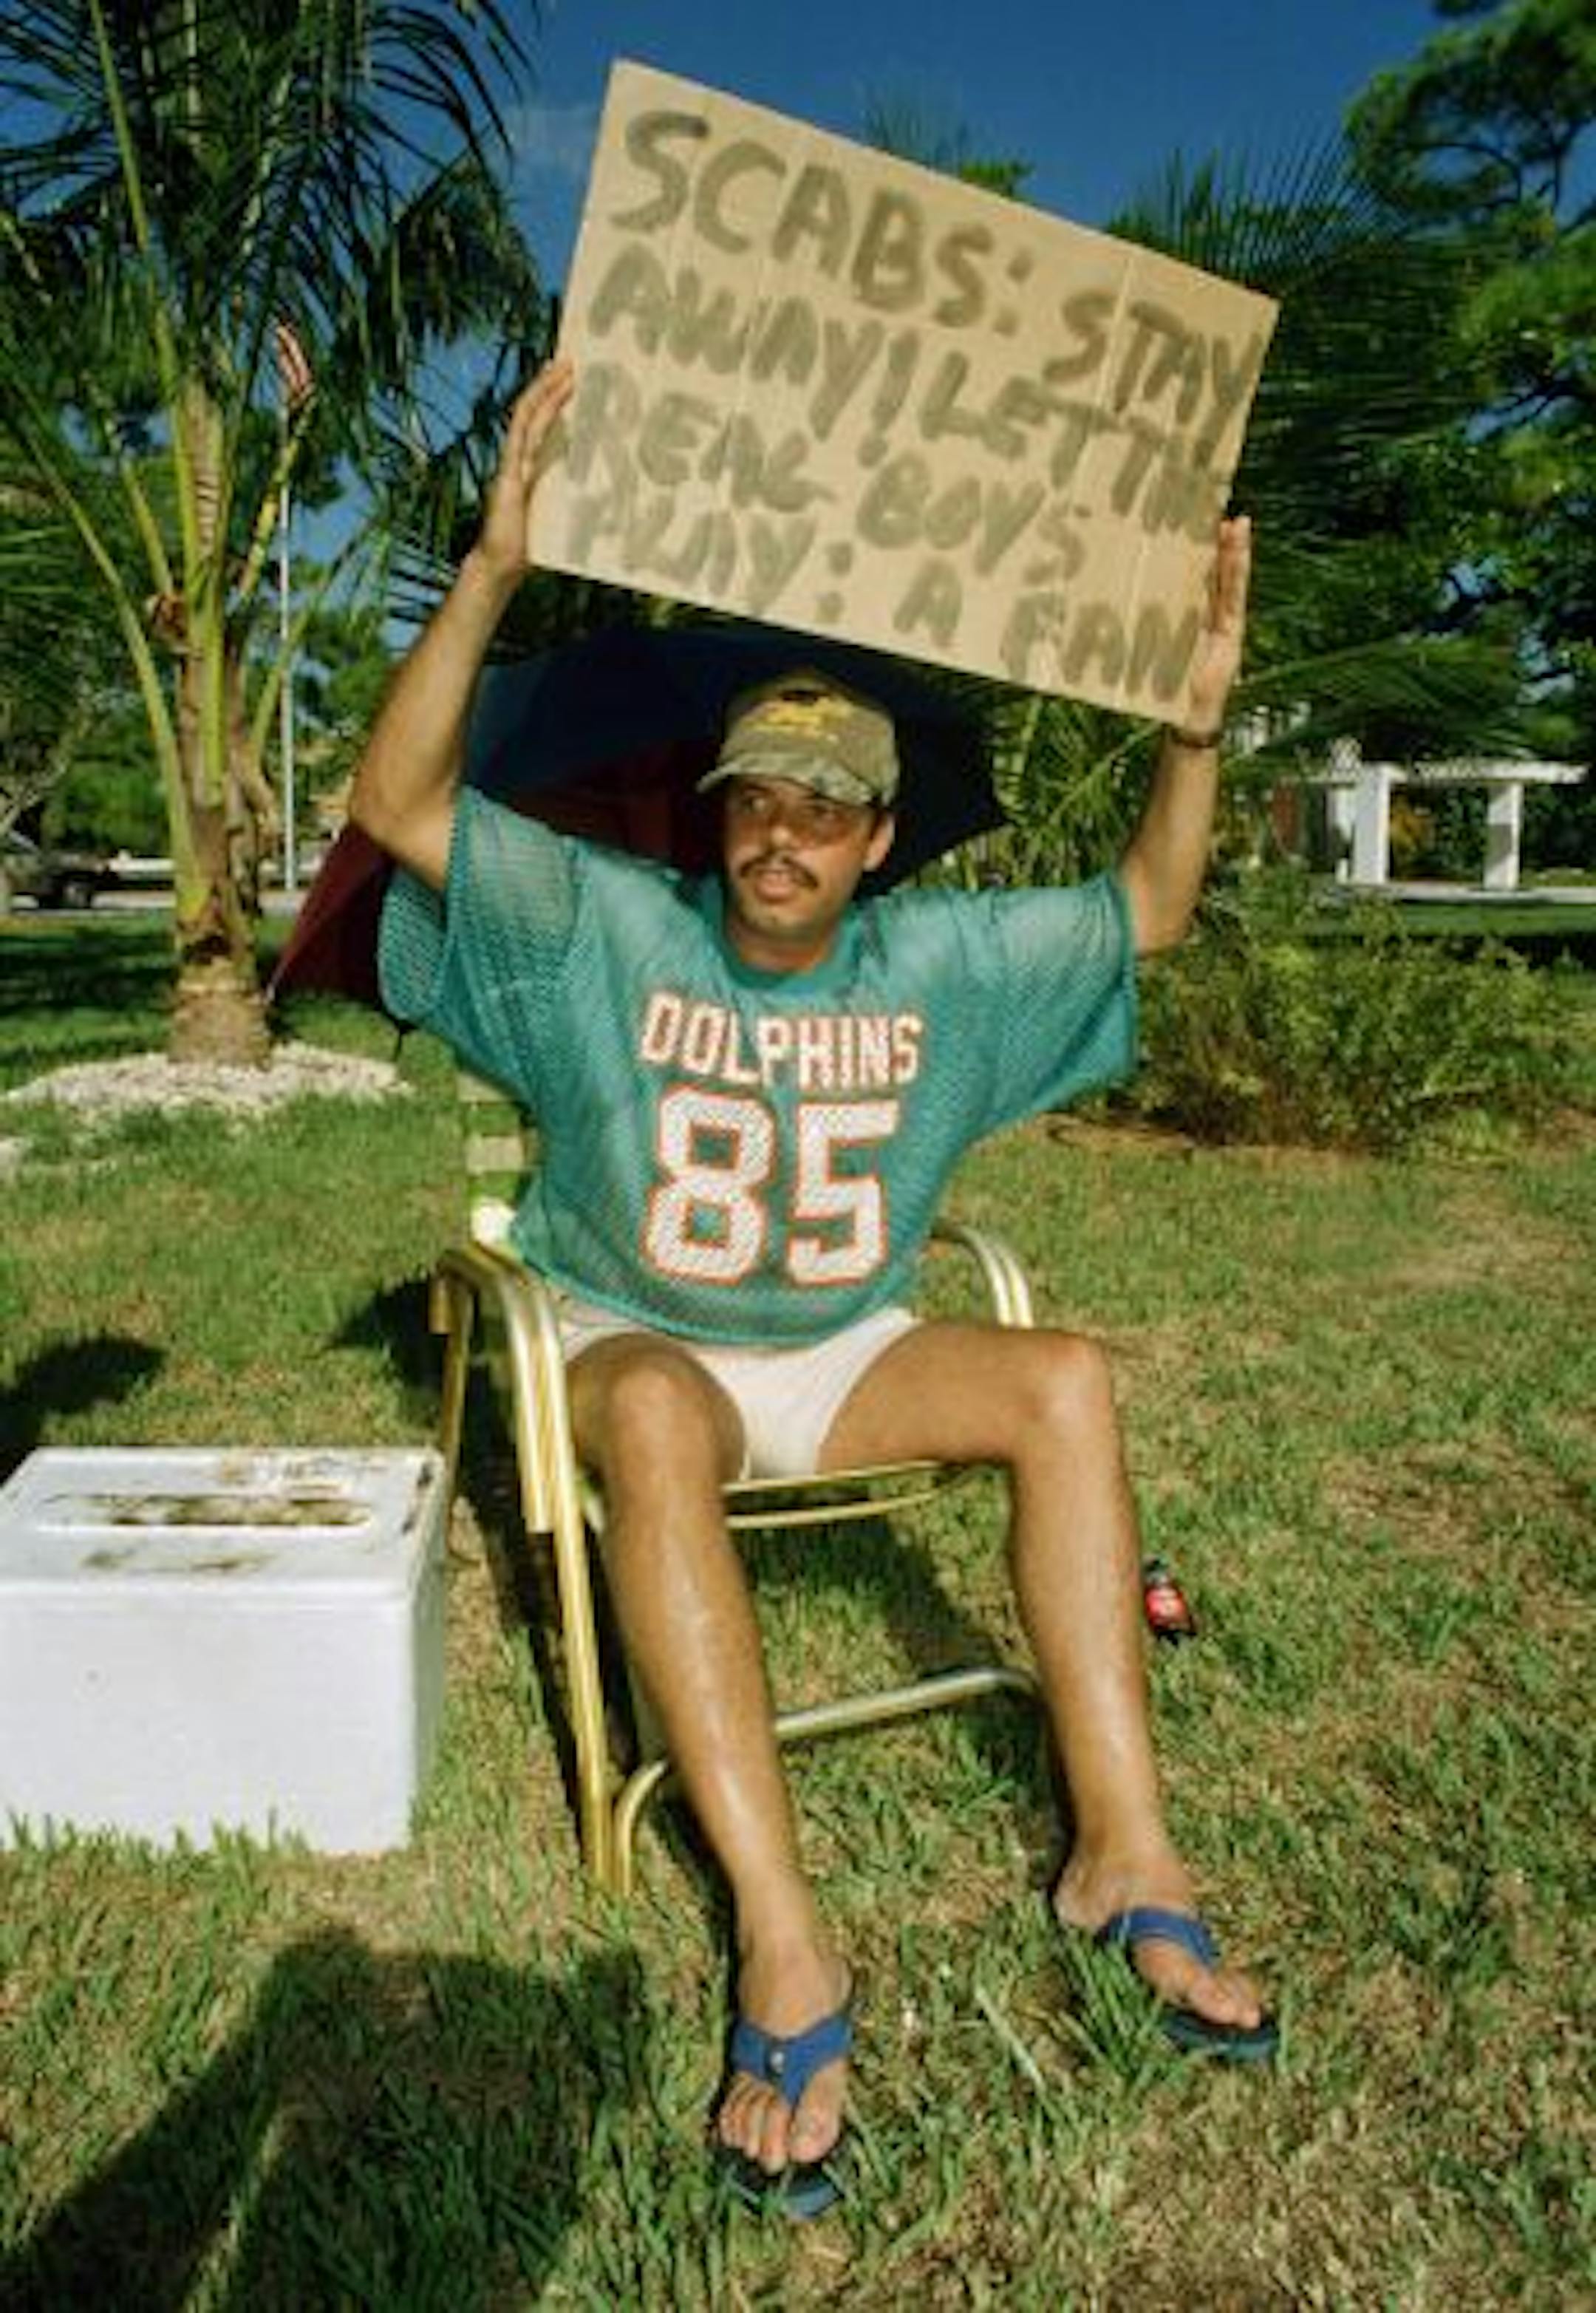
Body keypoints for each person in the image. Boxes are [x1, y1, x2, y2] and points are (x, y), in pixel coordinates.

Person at [352, 355, 1278, 2219]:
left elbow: (1151, 907)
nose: (783, 831)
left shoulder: (939, 964)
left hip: (843, 1343)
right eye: (754, 799)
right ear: (718, 813)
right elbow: (396, 797)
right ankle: (786, 1939)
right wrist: (497, 567)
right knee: (659, 1412)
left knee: (1067, 1375)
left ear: (878, 838)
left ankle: (1127, 1852)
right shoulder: (601, 920)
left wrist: (1192, 731)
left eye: (825, 809)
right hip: (642, 1335)